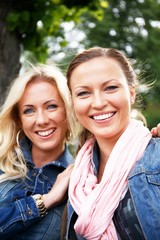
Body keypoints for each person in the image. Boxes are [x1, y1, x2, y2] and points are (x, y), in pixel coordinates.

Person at [65, 47, 160, 240]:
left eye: (110, 88)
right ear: (73, 102)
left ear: (131, 93)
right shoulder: (76, 179)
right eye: (84, 93)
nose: (98, 103)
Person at [0, 63, 78, 239]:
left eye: (51, 106)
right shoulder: (2, 163)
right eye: (29, 111)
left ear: (67, 110)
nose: (41, 120)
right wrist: (47, 200)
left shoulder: (80, 180)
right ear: (18, 119)